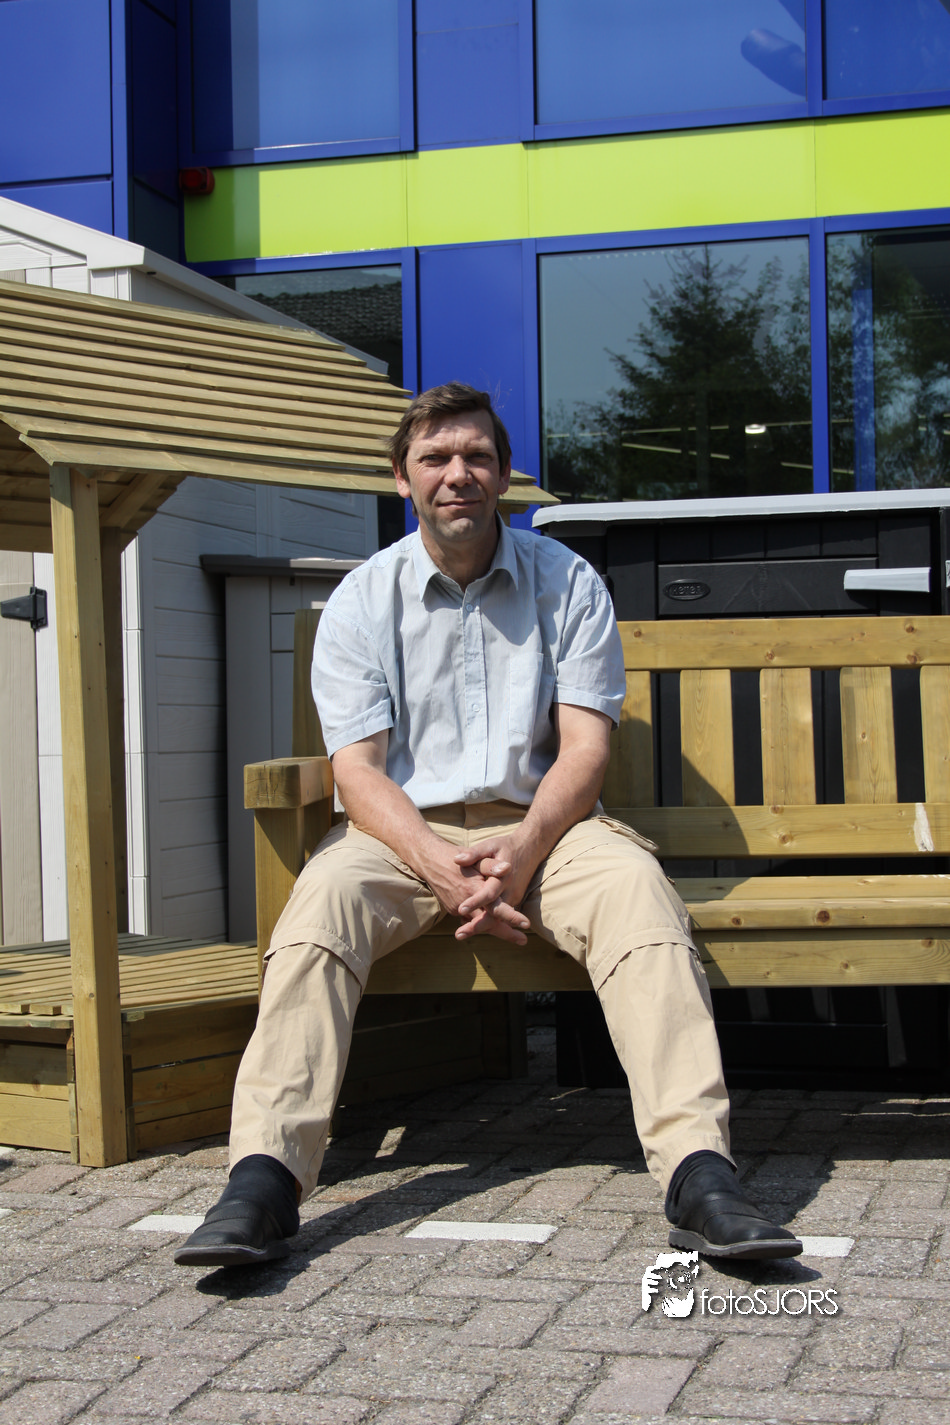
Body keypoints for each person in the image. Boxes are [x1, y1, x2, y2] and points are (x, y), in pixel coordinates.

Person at [176, 382, 801, 1271]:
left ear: (505, 475)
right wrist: (437, 861)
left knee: (637, 896)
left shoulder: (568, 583)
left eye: (476, 456)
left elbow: (584, 750)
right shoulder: (362, 600)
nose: (457, 473)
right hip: (398, 837)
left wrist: (521, 850)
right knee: (317, 913)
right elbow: (358, 772)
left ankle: (701, 1174)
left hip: (547, 827)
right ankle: (262, 1183)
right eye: (435, 458)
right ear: (402, 478)